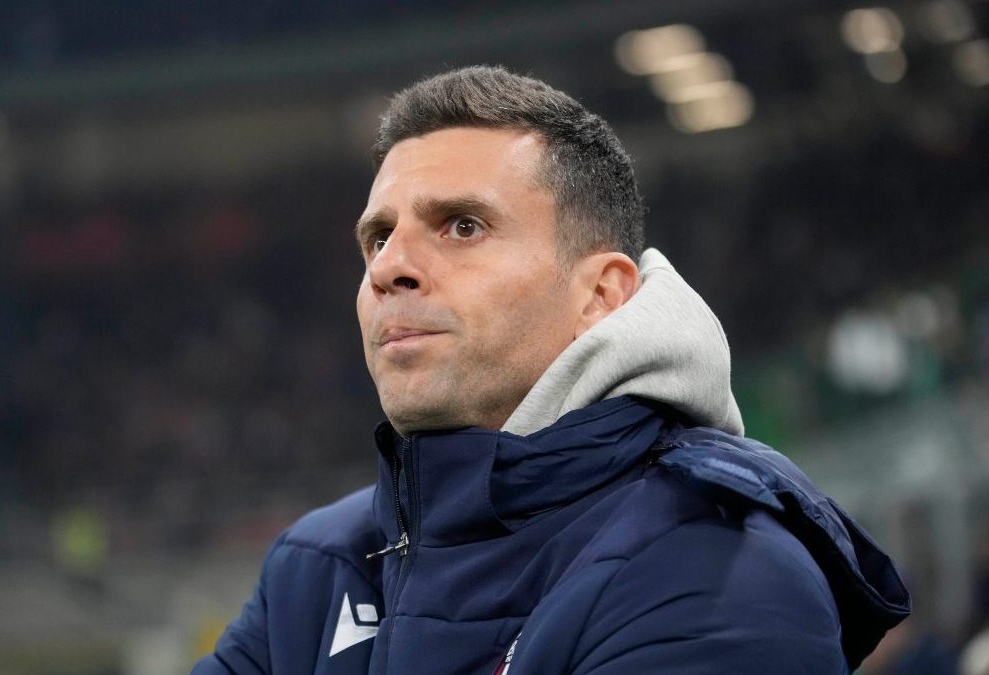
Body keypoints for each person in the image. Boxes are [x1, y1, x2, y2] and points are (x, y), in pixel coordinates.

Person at [192, 65, 911, 674]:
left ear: (600, 295)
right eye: (378, 238)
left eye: (462, 226)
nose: (390, 268)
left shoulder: (717, 568)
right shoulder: (315, 568)